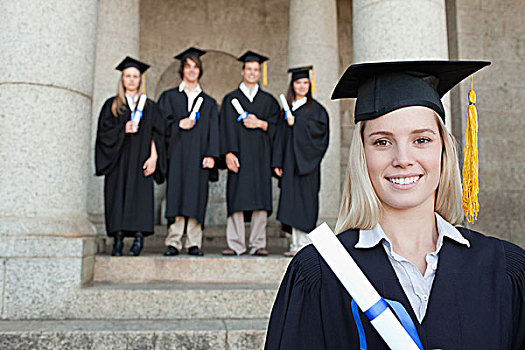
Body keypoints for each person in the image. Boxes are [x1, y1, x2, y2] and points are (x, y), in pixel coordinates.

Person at [265, 60, 525, 349]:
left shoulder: (506, 269)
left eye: (422, 139)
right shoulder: (318, 272)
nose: (402, 158)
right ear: (361, 155)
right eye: (382, 142)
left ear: (444, 149)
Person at [95, 56, 166, 257]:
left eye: (135, 76)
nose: (132, 80)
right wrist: (122, 129)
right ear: (122, 79)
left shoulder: (150, 107)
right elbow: (103, 134)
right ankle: (117, 239)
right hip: (119, 160)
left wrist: (154, 158)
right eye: (128, 76)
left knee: (140, 198)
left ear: (140, 80)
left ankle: (138, 239)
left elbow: (158, 134)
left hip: (141, 160)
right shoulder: (112, 105)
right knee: (117, 196)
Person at [157, 47, 219, 256]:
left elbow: (214, 131)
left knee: (195, 196)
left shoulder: (208, 103)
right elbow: (160, 127)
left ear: (200, 71)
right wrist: (177, 125)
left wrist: (211, 155)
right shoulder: (169, 97)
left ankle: (194, 242)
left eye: (195, 67)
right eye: (187, 67)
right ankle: (173, 241)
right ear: (182, 70)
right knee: (176, 195)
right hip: (176, 154)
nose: (191, 71)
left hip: (199, 156)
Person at [219, 50, 280, 256]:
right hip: (238, 156)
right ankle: (235, 244)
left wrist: (260, 124)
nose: (252, 72)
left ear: (259, 73)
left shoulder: (268, 101)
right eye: (249, 69)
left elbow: (277, 129)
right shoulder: (230, 99)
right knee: (237, 198)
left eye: (256, 69)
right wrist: (227, 153)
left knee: (260, 199)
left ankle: (258, 244)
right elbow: (224, 129)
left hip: (261, 157)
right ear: (242, 71)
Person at [272, 66, 329, 257]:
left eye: (305, 82)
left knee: (305, 202)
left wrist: (296, 124)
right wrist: (277, 163)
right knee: (290, 202)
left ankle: (305, 243)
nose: (302, 86)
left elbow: (320, 136)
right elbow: (279, 137)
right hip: (289, 163)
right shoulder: (286, 110)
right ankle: (294, 243)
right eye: (298, 83)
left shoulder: (317, 110)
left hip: (307, 165)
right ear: (292, 85)